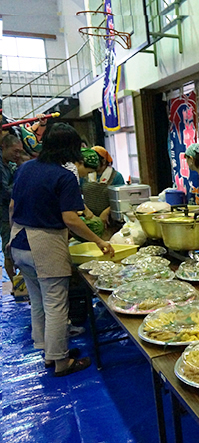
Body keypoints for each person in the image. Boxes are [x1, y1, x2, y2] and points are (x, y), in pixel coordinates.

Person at [9, 123, 114, 377]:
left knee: (38, 301)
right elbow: (71, 219)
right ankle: (61, 361)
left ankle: (48, 351)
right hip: (44, 244)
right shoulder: (64, 176)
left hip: (18, 241)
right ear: (70, 148)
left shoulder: (26, 168)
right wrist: (99, 241)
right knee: (56, 303)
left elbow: (12, 206)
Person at [80, 146, 125, 230]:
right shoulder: (85, 175)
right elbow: (77, 194)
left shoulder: (116, 176)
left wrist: (107, 212)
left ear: (103, 161)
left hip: (111, 221)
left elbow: (121, 198)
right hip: (90, 219)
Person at [0, 134, 24, 279]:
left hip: (12, 211)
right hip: (3, 213)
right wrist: (21, 184)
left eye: (20, 152)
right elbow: (5, 192)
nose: (18, 155)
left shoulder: (9, 164)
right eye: (15, 151)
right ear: (4, 147)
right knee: (8, 248)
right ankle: (15, 284)